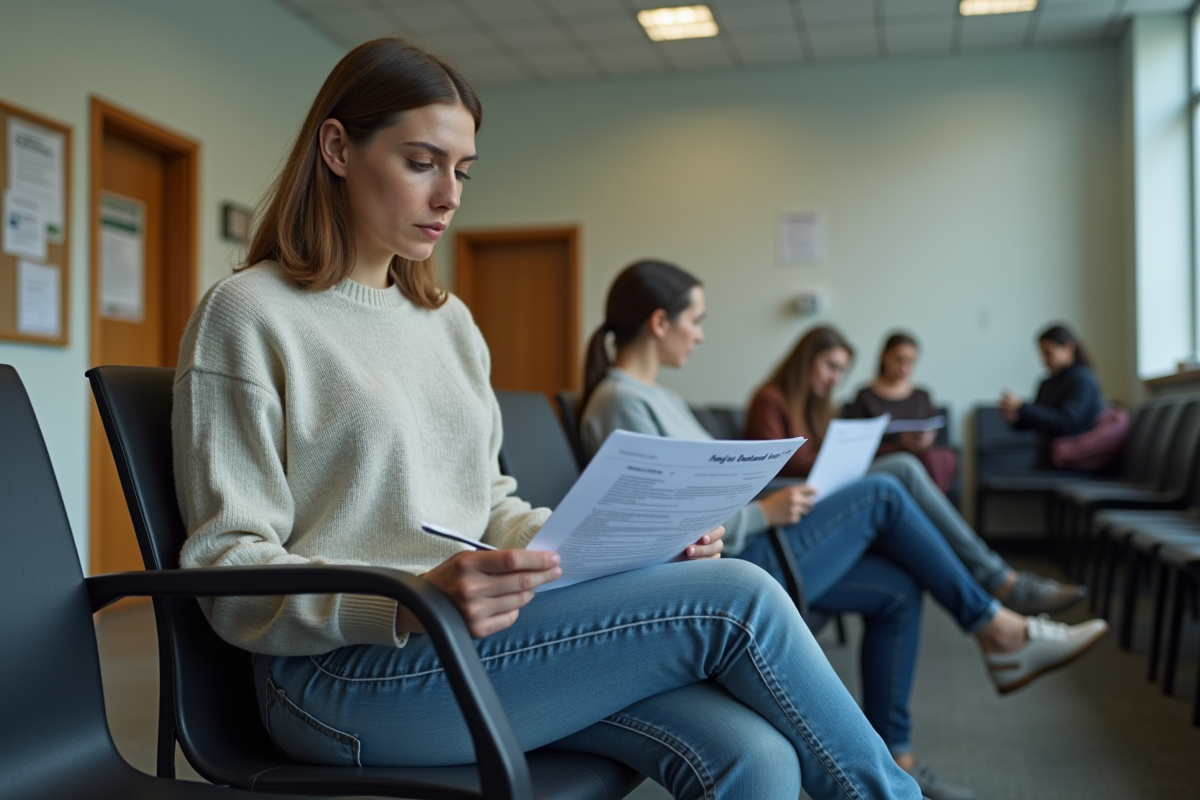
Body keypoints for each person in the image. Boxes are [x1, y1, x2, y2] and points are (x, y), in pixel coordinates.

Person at [172, 37, 932, 800]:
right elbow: (224, 572)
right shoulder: (248, 315)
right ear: (337, 148)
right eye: (421, 162)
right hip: (337, 677)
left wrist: (620, 545)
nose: (449, 196)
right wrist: (410, 599)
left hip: (475, 643)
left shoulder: (448, 323)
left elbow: (491, 503)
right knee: (739, 598)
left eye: (462, 171)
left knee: (757, 758)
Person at [579, 260, 1108, 800]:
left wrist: (764, 498)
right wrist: (765, 510)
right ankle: (998, 614)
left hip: (752, 541)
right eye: (696, 319)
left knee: (897, 590)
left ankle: (900, 756)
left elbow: (707, 495)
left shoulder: (661, 399)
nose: (702, 333)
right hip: (741, 563)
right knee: (889, 483)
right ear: (660, 322)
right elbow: (665, 526)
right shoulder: (621, 402)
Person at [748, 326, 1087, 617]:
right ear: (806, 360)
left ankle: (997, 583)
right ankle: (999, 580)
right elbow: (778, 465)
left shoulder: (812, 406)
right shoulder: (771, 400)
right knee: (904, 470)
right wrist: (874, 453)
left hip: (819, 491)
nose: (835, 378)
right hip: (793, 504)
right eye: (830, 367)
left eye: (841, 371)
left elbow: (818, 455)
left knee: (906, 478)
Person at [845, 332, 957, 494]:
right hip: (885, 459)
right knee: (913, 463)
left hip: (922, 459)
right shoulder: (865, 396)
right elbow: (855, 445)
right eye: (899, 359)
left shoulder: (921, 395)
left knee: (941, 456)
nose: (904, 368)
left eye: (910, 362)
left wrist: (927, 440)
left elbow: (935, 435)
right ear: (884, 357)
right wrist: (899, 444)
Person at [999, 323, 1104, 469]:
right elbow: (1038, 420)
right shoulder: (1047, 383)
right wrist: (1015, 416)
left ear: (1068, 347)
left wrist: (1023, 406)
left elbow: (1067, 423)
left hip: (1072, 466)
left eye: (1048, 353)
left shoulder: (1082, 380)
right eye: (1042, 354)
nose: (1044, 360)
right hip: (1046, 462)